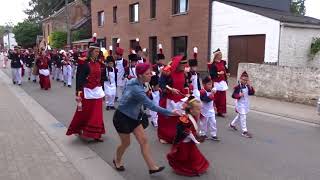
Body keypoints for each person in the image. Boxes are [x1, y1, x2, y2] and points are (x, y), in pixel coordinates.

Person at [112, 63, 180, 174]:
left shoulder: (138, 83)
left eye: (150, 73)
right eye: (147, 74)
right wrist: (171, 113)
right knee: (126, 143)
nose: (150, 75)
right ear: (139, 75)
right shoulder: (137, 89)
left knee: (144, 140)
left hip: (134, 117)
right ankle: (117, 160)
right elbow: (152, 106)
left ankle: (152, 167)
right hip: (122, 118)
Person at [66, 43, 105, 142]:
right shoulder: (84, 64)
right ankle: (79, 128)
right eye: (96, 51)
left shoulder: (99, 63)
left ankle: (96, 134)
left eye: (98, 51)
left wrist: (102, 89)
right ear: (91, 52)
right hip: (87, 91)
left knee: (97, 113)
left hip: (97, 91)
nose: (98, 53)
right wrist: (78, 92)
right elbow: (79, 78)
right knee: (84, 112)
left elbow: (100, 78)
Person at [167, 96, 209, 176]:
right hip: (184, 142)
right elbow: (185, 131)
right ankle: (184, 169)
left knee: (194, 156)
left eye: (200, 109)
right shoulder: (185, 118)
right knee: (184, 157)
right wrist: (195, 139)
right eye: (198, 109)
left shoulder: (193, 116)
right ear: (191, 110)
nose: (200, 111)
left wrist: (197, 134)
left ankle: (197, 168)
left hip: (190, 141)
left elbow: (193, 128)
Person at [158, 55, 189, 144]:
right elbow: (161, 84)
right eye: (182, 65)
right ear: (177, 64)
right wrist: (171, 90)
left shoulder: (183, 73)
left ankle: (177, 136)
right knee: (167, 119)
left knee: (180, 119)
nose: (184, 66)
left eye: (184, 64)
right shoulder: (167, 72)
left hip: (180, 99)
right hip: (168, 99)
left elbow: (185, 84)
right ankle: (165, 136)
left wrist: (187, 92)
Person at [229, 71, 255, 138]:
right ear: (240, 79)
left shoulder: (247, 86)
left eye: (246, 80)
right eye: (243, 80)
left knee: (240, 115)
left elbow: (251, 93)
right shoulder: (237, 87)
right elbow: (233, 95)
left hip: (246, 103)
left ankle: (232, 124)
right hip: (240, 104)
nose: (245, 81)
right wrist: (239, 95)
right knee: (243, 116)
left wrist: (251, 87)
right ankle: (244, 131)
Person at [208, 49, 230, 117]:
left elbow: (226, 69)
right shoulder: (213, 64)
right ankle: (213, 109)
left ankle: (221, 111)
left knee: (222, 98)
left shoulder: (223, 62)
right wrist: (218, 73)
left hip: (222, 82)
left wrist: (227, 73)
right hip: (216, 82)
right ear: (216, 56)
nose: (221, 56)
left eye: (221, 55)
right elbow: (212, 74)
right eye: (219, 55)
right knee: (216, 97)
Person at [199, 76, 219, 141]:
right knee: (204, 123)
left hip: (211, 110)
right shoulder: (202, 92)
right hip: (204, 110)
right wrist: (212, 94)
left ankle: (214, 134)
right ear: (204, 84)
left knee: (213, 122)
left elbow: (212, 100)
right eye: (209, 84)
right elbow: (206, 100)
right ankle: (203, 134)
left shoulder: (211, 91)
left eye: (211, 84)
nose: (210, 86)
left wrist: (214, 106)